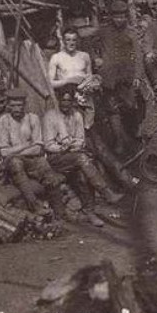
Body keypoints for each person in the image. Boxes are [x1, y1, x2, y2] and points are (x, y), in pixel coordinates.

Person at [44, 87, 125, 226]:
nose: (65, 103)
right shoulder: (50, 117)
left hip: (74, 155)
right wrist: (61, 147)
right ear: (58, 101)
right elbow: (48, 144)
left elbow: (80, 140)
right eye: (62, 100)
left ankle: (90, 212)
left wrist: (73, 145)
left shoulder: (77, 116)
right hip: (56, 159)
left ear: (73, 102)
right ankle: (106, 192)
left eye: (68, 101)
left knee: (83, 174)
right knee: (81, 159)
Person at [0, 88, 64, 216]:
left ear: (24, 105)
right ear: (8, 105)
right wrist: (26, 145)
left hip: (32, 159)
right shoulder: (3, 121)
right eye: (13, 105)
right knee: (15, 163)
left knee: (45, 166)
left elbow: (38, 148)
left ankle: (60, 212)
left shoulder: (33, 118)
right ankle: (35, 205)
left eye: (19, 105)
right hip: (12, 162)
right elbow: (4, 153)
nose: (17, 109)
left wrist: (15, 151)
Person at [96, 0, 146, 157]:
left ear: (126, 17)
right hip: (109, 77)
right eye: (116, 17)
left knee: (131, 105)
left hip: (127, 75)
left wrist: (137, 75)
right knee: (112, 109)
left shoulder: (131, 33)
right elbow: (88, 44)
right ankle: (119, 141)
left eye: (122, 16)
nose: (120, 20)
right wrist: (96, 58)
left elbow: (137, 54)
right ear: (111, 17)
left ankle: (133, 130)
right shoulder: (103, 32)